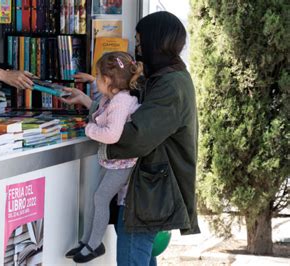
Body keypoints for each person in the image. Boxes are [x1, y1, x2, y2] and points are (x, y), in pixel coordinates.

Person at [62, 11, 200, 266]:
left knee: (131, 256)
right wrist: (93, 100)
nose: (137, 49)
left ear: (154, 43)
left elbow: (135, 136)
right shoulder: (165, 77)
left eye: (139, 42)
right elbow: (126, 109)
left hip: (150, 193)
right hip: (147, 190)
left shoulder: (170, 85)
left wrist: (97, 137)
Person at [64, 52, 143, 263]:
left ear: (108, 80)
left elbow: (111, 134)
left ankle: (95, 244)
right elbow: (100, 111)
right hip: (113, 161)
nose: (95, 79)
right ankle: (87, 241)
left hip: (122, 163)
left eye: (97, 76)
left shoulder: (120, 103)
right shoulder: (113, 98)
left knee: (100, 198)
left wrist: (89, 129)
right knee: (95, 197)